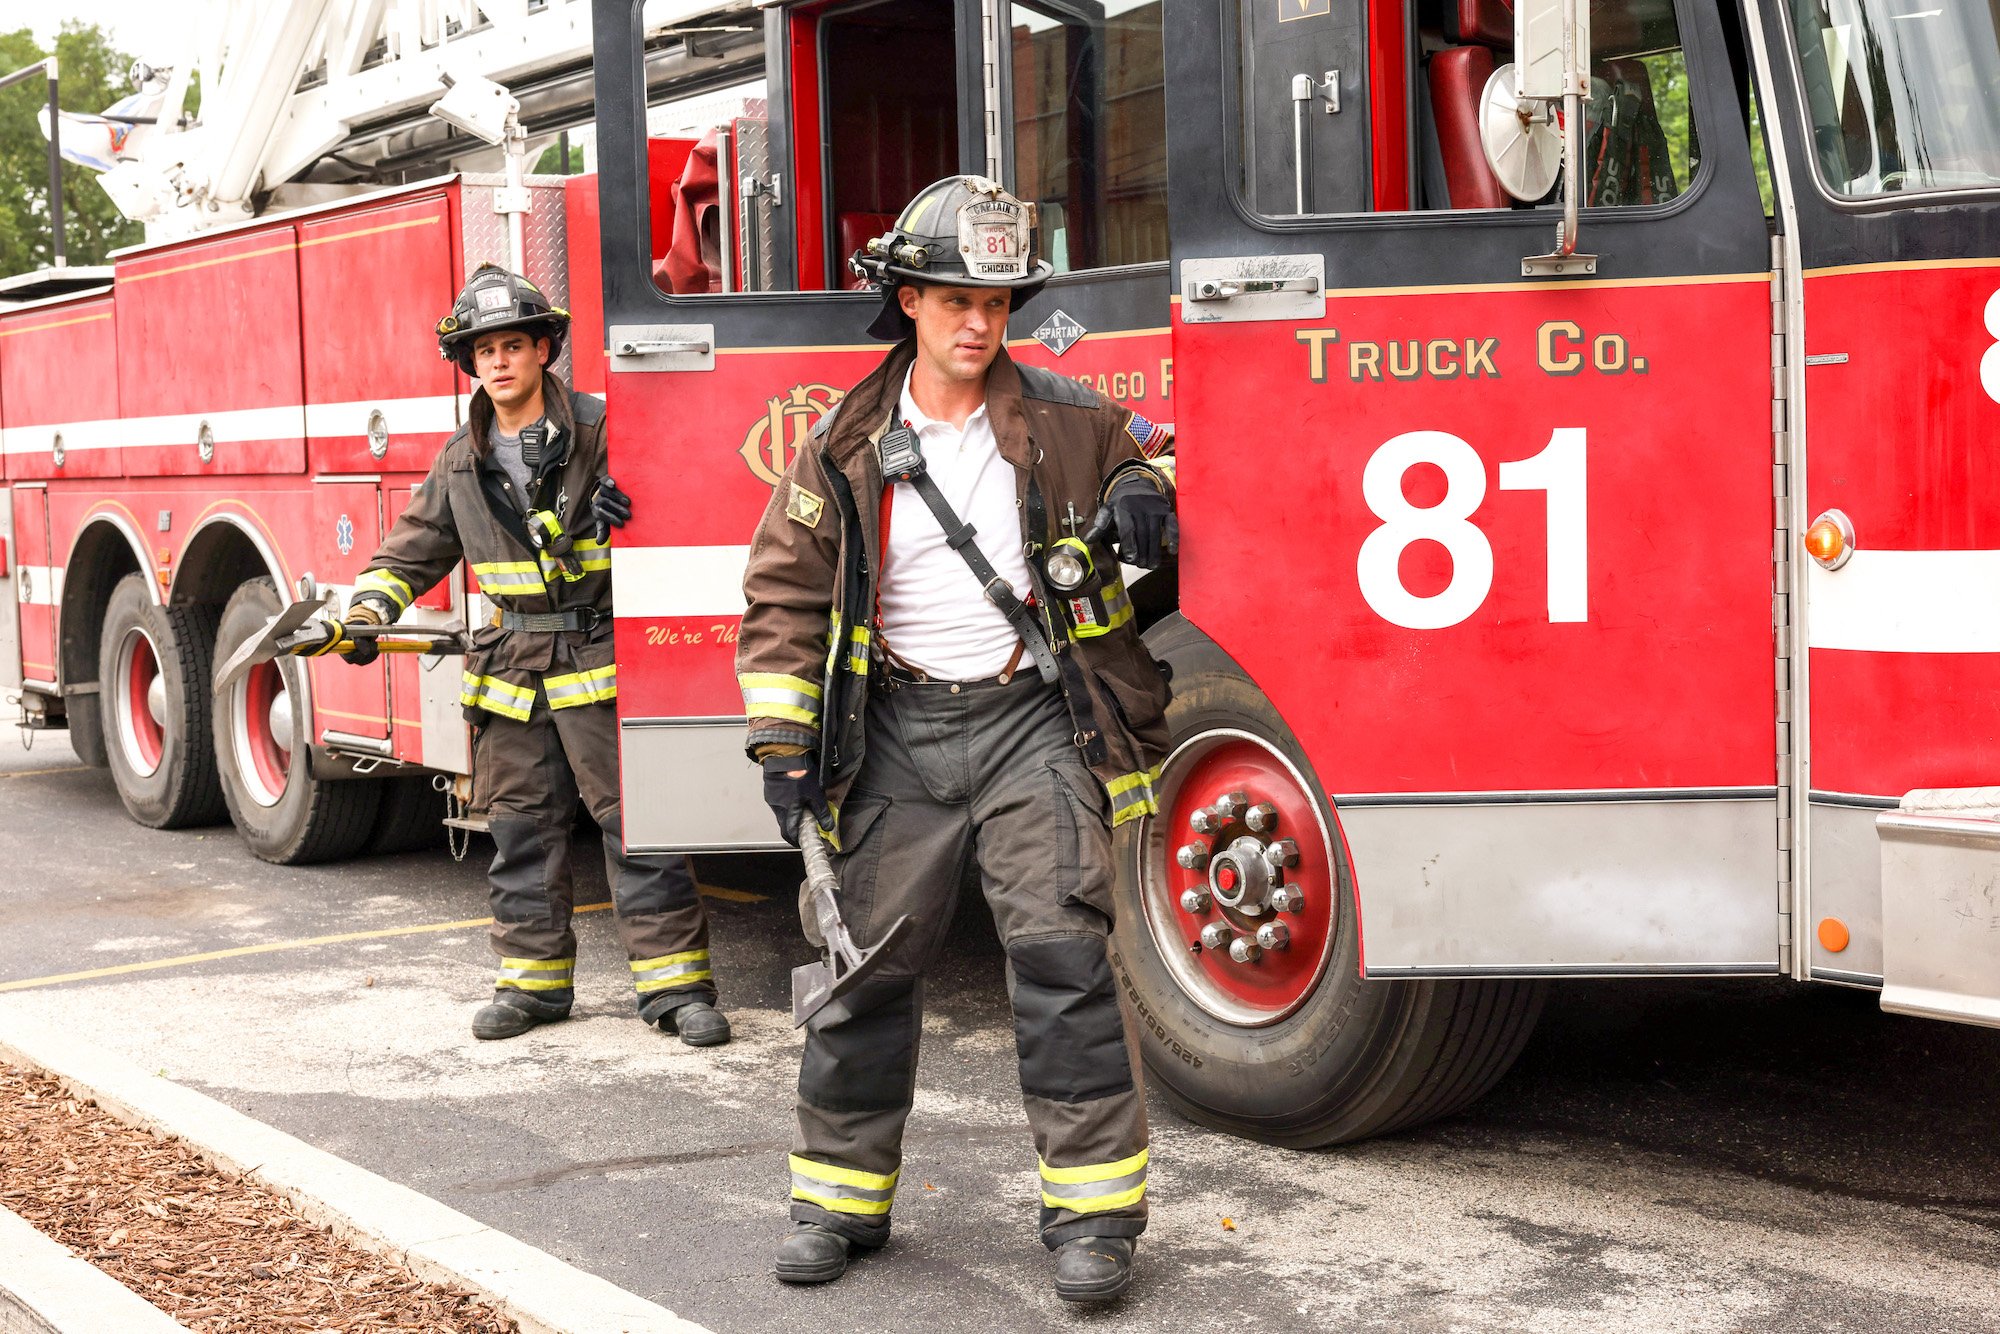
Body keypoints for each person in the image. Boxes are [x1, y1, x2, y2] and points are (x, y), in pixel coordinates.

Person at [735, 177, 1179, 1302]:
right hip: (895, 729)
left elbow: (1149, 457)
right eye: (952, 298)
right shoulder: (841, 440)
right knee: (860, 970)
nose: (979, 322)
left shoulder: (1072, 419)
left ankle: (1092, 1217)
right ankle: (835, 1198)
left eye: (996, 300)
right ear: (908, 302)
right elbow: (783, 596)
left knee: (1062, 958)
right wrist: (784, 748)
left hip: (1033, 717)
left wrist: (1142, 488)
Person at [313, 263, 730, 1047]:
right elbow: (408, 555)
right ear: (469, 364)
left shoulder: (609, 430)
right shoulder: (459, 463)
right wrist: (366, 615)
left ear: (545, 349)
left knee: (639, 826)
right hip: (511, 668)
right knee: (520, 832)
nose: (499, 361)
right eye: (484, 350)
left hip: (601, 657)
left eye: (514, 344)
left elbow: (690, 506)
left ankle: (677, 990)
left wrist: (638, 512)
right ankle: (532, 987)